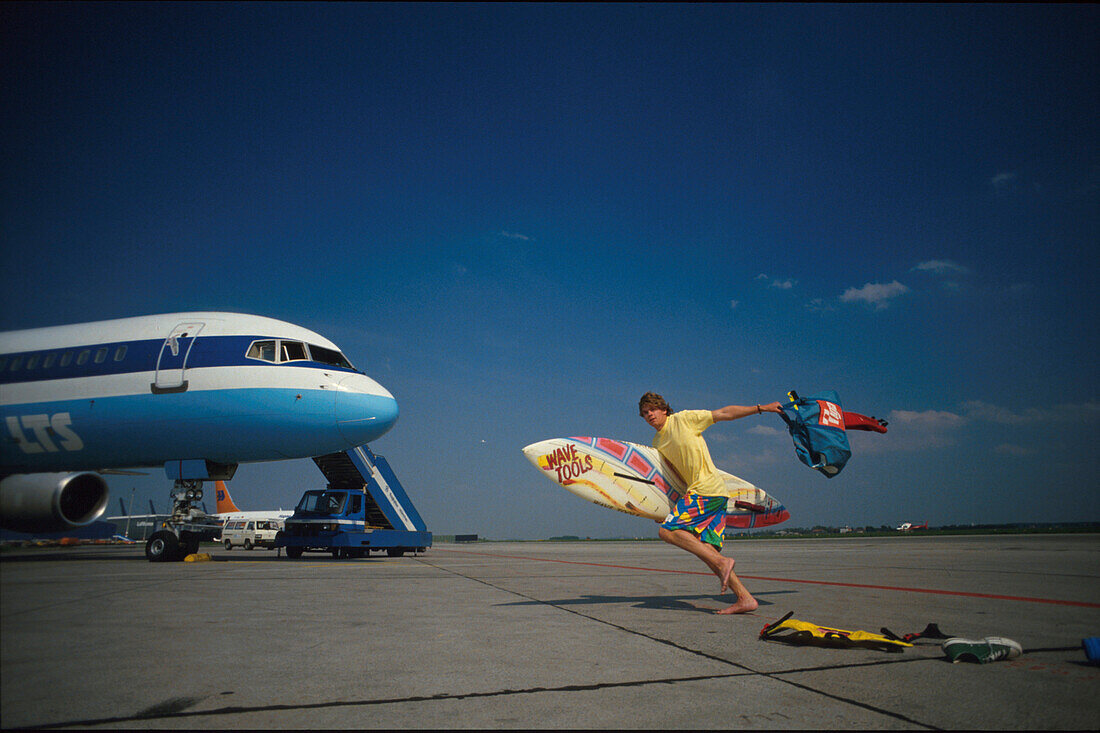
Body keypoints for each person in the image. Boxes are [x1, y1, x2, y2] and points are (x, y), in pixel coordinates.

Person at [639, 391, 782, 615]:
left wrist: (762, 407)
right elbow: (673, 478)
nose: (649, 415)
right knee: (707, 551)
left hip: (706, 490)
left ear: (664, 409)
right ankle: (745, 598)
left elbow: (724, 413)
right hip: (711, 494)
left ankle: (724, 563)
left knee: (667, 533)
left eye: (653, 410)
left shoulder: (684, 419)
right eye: (645, 413)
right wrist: (669, 508)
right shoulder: (657, 442)